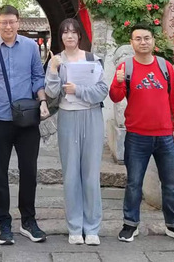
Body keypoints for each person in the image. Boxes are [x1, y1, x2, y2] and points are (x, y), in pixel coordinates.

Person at [109, 22, 174, 244]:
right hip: (137, 136)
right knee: (134, 183)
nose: (143, 42)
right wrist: (118, 82)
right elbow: (115, 97)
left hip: (165, 135)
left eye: (146, 38)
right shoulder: (126, 67)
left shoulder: (165, 67)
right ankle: (130, 224)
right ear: (131, 43)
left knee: (171, 184)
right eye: (138, 39)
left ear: (153, 41)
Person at [0, 5, 50, 246]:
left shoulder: (30, 47)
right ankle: (3, 223)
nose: (8, 26)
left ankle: (28, 220)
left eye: (12, 22)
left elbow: (38, 77)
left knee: (29, 171)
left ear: (19, 22)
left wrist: (42, 101)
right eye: (3, 22)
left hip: (26, 120)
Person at [45, 18, 108, 245]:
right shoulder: (57, 61)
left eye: (73, 32)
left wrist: (78, 89)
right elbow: (51, 93)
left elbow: (102, 90)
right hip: (68, 117)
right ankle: (74, 226)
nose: (69, 36)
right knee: (71, 174)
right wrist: (53, 70)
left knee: (90, 174)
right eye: (65, 32)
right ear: (60, 36)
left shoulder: (93, 59)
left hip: (91, 117)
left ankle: (92, 228)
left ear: (80, 35)